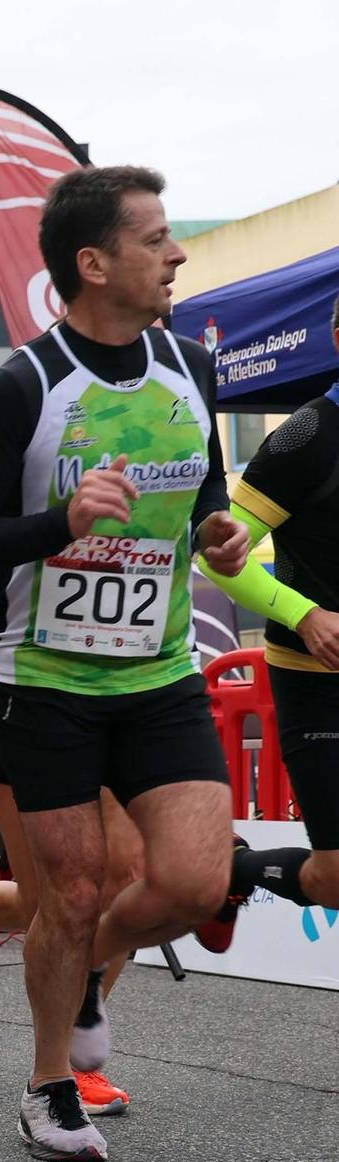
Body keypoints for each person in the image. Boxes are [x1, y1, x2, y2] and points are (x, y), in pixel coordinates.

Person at [0, 165, 248, 1162]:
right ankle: (47, 1082)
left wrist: (217, 535)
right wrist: (54, 523)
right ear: (92, 263)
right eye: (154, 239)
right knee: (67, 896)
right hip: (44, 680)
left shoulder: (188, 369)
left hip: (154, 674)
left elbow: (201, 502)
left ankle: (70, 977)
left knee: (194, 881)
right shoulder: (27, 384)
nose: (176, 253)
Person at [0, 574, 142, 1117]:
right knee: (55, 904)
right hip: (31, 694)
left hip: (131, 692)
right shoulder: (25, 492)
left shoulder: (152, 490)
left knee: (124, 883)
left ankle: (70, 1062)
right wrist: (54, 576)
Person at [206, 295, 339, 916]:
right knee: (337, 875)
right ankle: (232, 867)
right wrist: (304, 614)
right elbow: (217, 554)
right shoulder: (307, 435)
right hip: (318, 684)